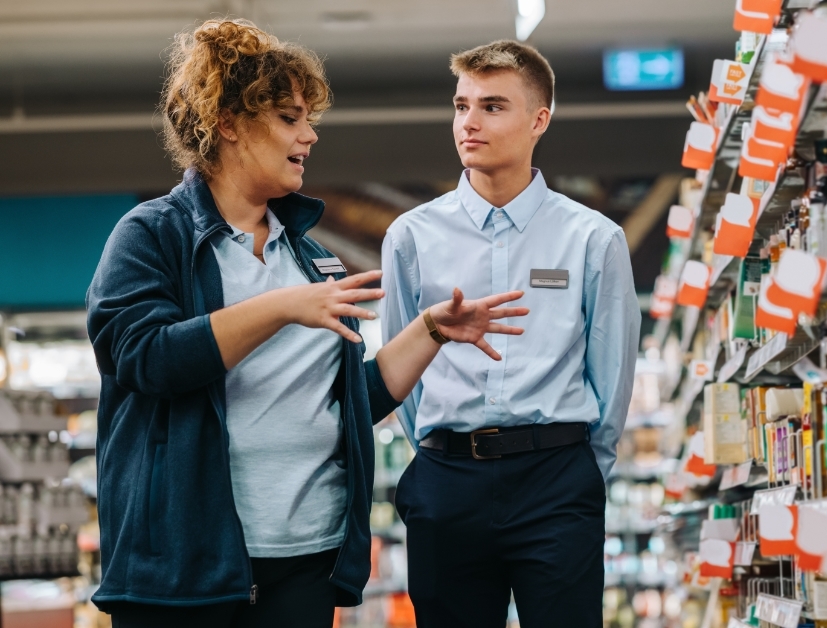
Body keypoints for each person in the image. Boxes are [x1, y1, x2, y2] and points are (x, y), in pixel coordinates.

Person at [85, 20, 528, 628]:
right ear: (229, 123)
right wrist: (281, 307)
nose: (310, 135)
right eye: (290, 118)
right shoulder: (152, 235)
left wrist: (431, 329)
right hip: (185, 564)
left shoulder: (312, 258)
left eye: (308, 119)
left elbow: (347, 401)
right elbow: (143, 358)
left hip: (306, 557)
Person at [380, 40, 640, 627]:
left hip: (557, 481)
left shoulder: (592, 238)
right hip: (448, 481)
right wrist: (440, 451)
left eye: (492, 106)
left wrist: (581, 475)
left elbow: (612, 374)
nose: (468, 122)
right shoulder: (411, 237)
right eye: (461, 105)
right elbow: (400, 371)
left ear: (539, 120)